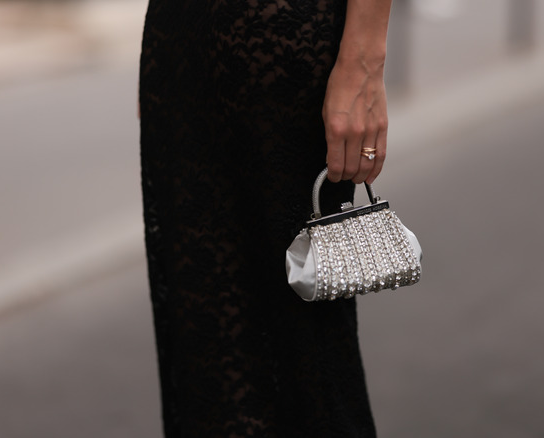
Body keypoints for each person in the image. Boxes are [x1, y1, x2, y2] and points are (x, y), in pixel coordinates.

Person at [139, 0, 391, 435]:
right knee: (205, 358)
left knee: (310, 367)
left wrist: (364, 60)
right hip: (178, 35)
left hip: (280, 41)